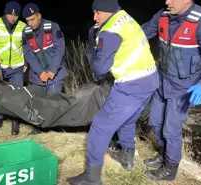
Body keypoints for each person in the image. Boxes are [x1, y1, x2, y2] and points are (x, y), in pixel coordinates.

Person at [66, 0, 159, 184]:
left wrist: (92, 47)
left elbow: (99, 69)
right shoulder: (125, 17)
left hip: (131, 85)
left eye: (97, 13)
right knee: (128, 119)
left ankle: (91, 178)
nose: (94, 17)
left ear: (107, 11)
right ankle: (127, 157)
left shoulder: (109, 32)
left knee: (100, 127)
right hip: (150, 80)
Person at [141, 0, 201, 181]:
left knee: (170, 130)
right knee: (155, 122)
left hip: (184, 87)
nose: (167, 1)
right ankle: (164, 156)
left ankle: (170, 169)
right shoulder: (163, 15)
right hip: (162, 80)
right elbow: (142, 33)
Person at [21, 3, 67, 135]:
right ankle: (40, 127)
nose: (30, 23)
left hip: (55, 72)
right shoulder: (26, 32)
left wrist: (52, 71)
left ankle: (55, 125)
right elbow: (29, 54)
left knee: (53, 100)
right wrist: (40, 72)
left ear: (39, 16)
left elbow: (60, 49)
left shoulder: (52, 27)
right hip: (37, 74)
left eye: (32, 19)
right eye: (27, 20)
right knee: (39, 101)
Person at [0, 1, 26, 135]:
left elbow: (27, 47)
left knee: (16, 95)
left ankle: (15, 122)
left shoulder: (23, 26)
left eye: (15, 15)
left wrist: (27, 63)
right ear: (5, 13)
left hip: (17, 67)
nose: (12, 17)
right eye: (10, 14)